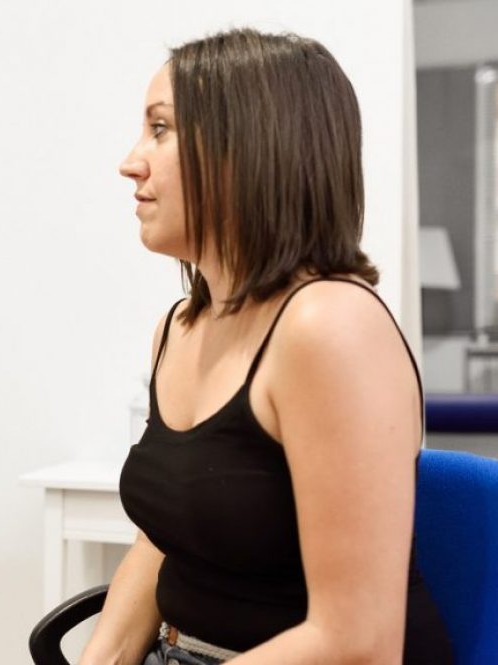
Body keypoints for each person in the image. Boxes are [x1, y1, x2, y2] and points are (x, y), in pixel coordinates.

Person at [80, 29, 453, 665]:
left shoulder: (329, 327)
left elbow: (358, 643)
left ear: (244, 149)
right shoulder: (179, 328)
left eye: (161, 130)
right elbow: (165, 537)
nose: (131, 161)